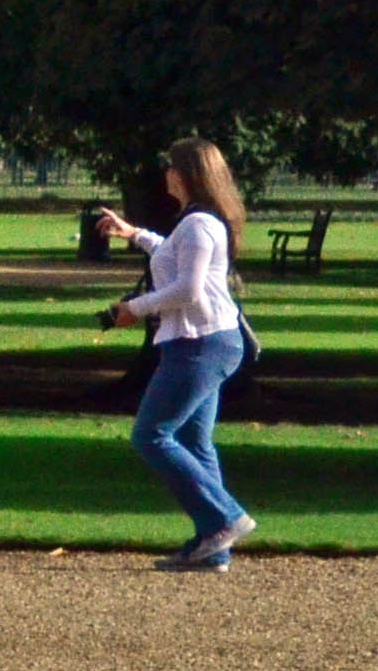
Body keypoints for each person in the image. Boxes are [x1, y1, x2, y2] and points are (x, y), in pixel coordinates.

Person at [96, 136, 257, 570]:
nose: (165, 173)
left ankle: (224, 518)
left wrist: (134, 308)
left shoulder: (201, 224)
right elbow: (174, 256)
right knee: (194, 442)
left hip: (200, 344)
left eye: (172, 166)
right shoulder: (193, 223)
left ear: (189, 174)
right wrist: (135, 234)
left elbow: (186, 290)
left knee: (151, 435)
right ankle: (215, 548)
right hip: (204, 342)